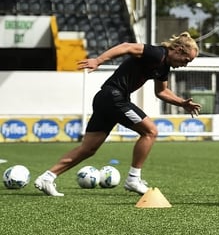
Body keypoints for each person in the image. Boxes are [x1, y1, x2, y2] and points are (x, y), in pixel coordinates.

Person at [34, 32, 201, 197]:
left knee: (88, 149)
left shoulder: (164, 67)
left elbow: (161, 91)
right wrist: (98, 61)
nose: (185, 65)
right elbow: (126, 47)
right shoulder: (156, 53)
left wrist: (182, 103)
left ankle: (47, 178)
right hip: (114, 97)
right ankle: (133, 179)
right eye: (186, 60)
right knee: (150, 132)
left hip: (107, 99)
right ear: (178, 50)